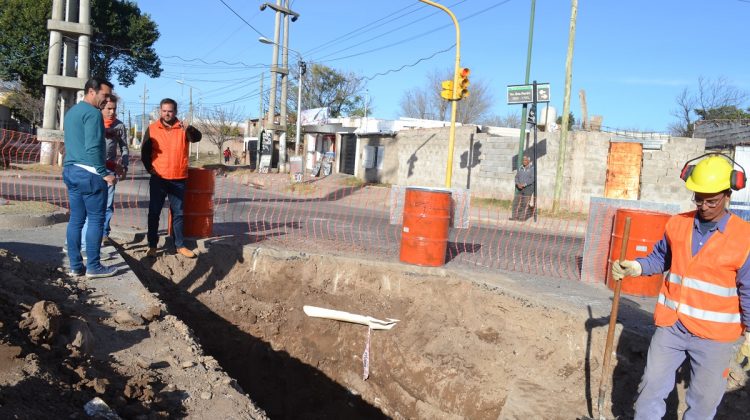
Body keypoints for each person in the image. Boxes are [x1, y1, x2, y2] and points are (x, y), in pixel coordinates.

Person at [612, 154, 750, 419]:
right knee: (650, 389)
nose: (704, 206)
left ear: (728, 194)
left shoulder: (744, 238)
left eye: (712, 200)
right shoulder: (678, 224)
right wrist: (637, 267)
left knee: (703, 404)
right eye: (698, 198)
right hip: (672, 327)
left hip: (714, 337)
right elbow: (660, 258)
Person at [62, 78, 117, 278]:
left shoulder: (73, 112)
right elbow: (92, 147)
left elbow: (79, 138)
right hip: (91, 174)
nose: (107, 100)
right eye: (105, 95)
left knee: (76, 219)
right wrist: (105, 174)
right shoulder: (94, 113)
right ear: (92, 92)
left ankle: (76, 266)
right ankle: (94, 266)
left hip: (71, 170)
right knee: (96, 219)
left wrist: (106, 132)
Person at [142, 98, 202, 259]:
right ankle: (152, 245)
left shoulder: (184, 128)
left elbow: (197, 138)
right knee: (154, 213)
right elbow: (145, 152)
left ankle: (180, 245)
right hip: (159, 179)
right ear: (160, 111)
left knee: (178, 214)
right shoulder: (152, 128)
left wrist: (190, 128)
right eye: (164, 111)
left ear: (175, 112)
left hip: (178, 178)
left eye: (170, 111)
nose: (167, 113)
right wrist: (150, 169)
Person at [81, 94, 129, 247]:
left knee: (107, 204)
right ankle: (86, 235)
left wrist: (124, 164)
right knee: (89, 203)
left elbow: (124, 147)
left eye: (114, 109)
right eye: (109, 108)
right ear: (101, 108)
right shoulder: (93, 122)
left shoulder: (119, 126)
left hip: (110, 169)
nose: (112, 112)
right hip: (92, 169)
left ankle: (103, 234)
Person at [511, 155, 534, 221]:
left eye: (526, 160)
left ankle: (521, 217)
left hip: (528, 188)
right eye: (523, 160)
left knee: (524, 203)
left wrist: (524, 184)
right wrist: (517, 184)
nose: (524, 161)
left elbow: (532, 179)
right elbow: (516, 177)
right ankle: (514, 216)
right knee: (516, 202)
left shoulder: (532, 169)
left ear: (529, 161)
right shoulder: (520, 168)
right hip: (519, 188)